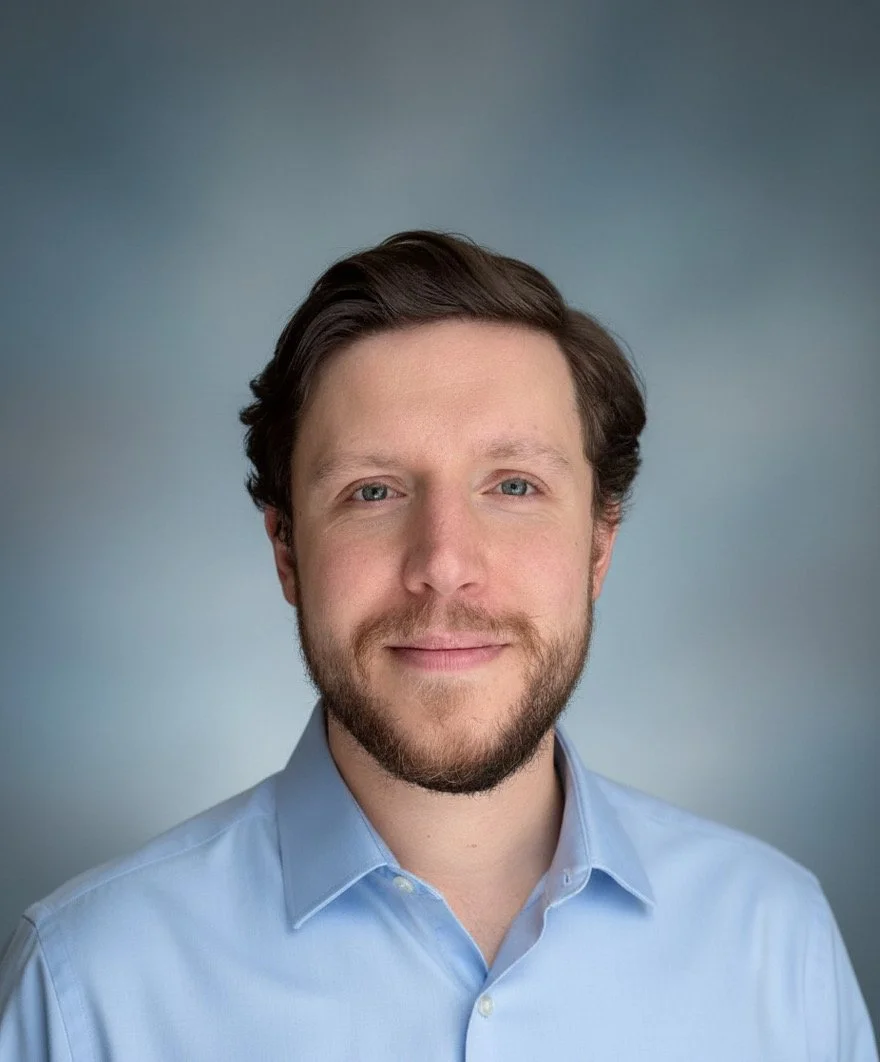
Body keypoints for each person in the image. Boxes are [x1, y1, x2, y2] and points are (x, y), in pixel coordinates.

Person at [0, 231, 875, 1060]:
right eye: (373, 491)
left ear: (600, 543)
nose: (445, 565)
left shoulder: (776, 945)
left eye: (515, 485)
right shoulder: (89, 987)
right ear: (287, 552)